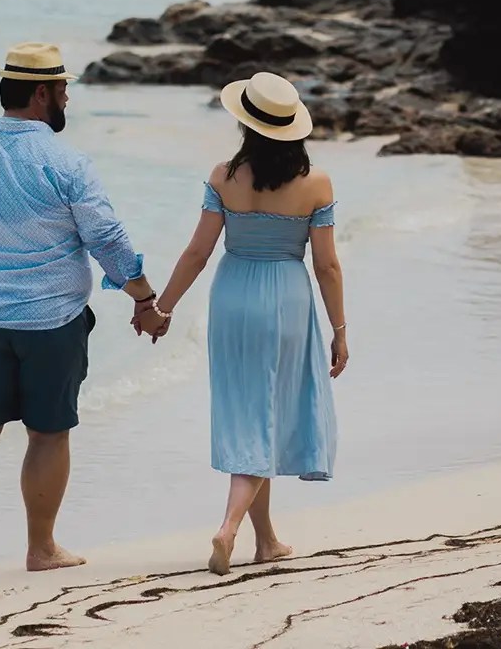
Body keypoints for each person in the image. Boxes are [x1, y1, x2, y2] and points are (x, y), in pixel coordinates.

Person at [0, 42, 161, 585]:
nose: (68, 97)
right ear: (42, 93)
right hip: (52, 323)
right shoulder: (65, 161)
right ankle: (40, 548)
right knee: (48, 433)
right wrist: (140, 293)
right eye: (64, 88)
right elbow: (106, 237)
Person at [140, 70, 347, 576]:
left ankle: (267, 540)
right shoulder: (316, 183)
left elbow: (196, 253)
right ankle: (230, 527)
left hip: (232, 296)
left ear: (248, 126)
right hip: (285, 299)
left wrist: (160, 308)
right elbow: (326, 266)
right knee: (267, 412)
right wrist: (340, 330)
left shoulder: (222, 176)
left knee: (250, 412)